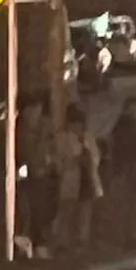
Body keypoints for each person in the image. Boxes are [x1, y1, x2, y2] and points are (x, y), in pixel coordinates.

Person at [52, 104, 104, 251]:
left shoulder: (87, 137)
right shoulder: (63, 138)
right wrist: (75, 161)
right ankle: (63, 240)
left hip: (87, 178)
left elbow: (96, 155)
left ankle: (82, 238)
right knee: (67, 209)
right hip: (71, 178)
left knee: (85, 209)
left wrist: (90, 159)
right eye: (75, 124)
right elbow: (60, 160)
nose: (77, 127)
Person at [15, 94, 59, 260]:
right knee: (27, 210)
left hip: (44, 173)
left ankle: (40, 244)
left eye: (37, 108)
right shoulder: (20, 128)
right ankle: (27, 245)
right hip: (27, 175)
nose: (34, 112)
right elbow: (20, 150)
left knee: (43, 210)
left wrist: (51, 162)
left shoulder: (46, 126)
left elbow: (52, 146)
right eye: (31, 109)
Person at [107, 97, 136, 246]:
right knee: (128, 204)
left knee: (127, 203)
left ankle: (123, 235)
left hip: (127, 169)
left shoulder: (121, 126)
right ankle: (126, 236)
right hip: (129, 169)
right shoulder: (133, 127)